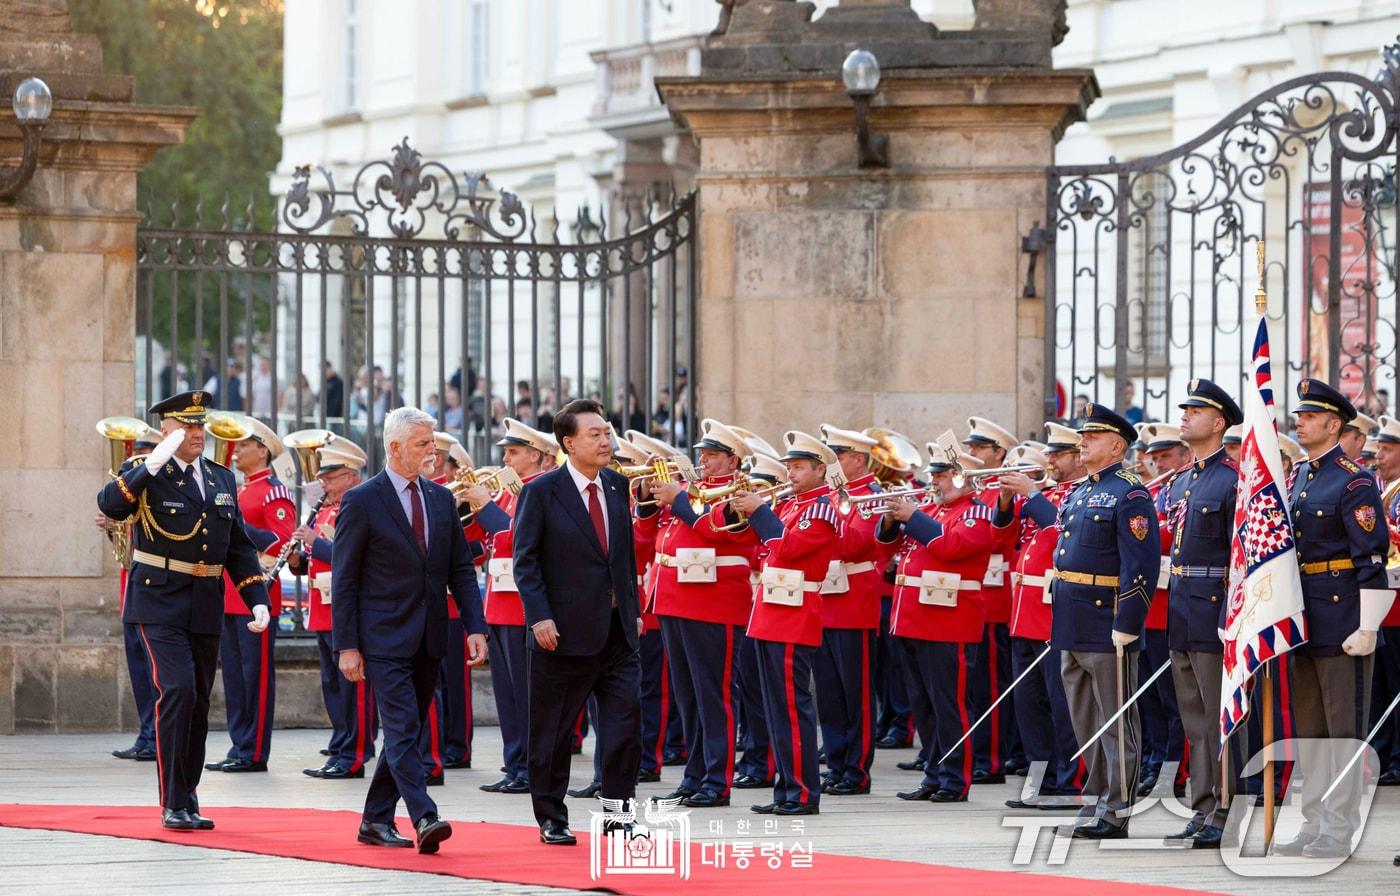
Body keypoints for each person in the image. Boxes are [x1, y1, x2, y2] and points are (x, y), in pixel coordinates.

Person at [96, 390, 271, 830]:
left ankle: (188, 797)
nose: (198, 434)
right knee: (176, 689)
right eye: (188, 426)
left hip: (204, 601)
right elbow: (110, 505)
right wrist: (151, 464)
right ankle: (172, 801)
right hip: (157, 598)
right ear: (168, 431)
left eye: (200, 425)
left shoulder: (220, 478)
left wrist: (257, 599)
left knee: (197, 702)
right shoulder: (143, 472)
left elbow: (238, 548)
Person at [331, 406, 488, 854]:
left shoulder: (440, 499)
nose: (432, 451)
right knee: (401, 729)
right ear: (396, 447)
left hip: (430, 635)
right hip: (381, 637)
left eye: (433, 442)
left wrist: (475, 626)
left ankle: (374, 820)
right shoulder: (362, 500)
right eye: (423, 443)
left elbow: (460, 570)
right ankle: (424, 814)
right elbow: (345, 579)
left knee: (410, 729)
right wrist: (347, 646)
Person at [513, 398, 643, 846]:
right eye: (595, 434)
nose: (605, 440)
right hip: (561, 634)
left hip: (617, 631)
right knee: (552, 731)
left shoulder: (617, 486)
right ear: (568, 443)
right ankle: (551, 816)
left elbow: (624, 559)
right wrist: (539, 617)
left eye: (607, 432)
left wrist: (634, 610)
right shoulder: (541, 492)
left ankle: (620, 813)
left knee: (625, 725)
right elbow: (525, 561)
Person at [1273, 379, 1393, 859]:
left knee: (1342, 731)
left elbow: (1371, 557)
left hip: (1344, 619)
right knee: (1312, 732)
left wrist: (1368, 625)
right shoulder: (1301, 475)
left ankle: (1338, 828)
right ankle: (1314, 820)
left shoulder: (1354, 479)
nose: (1298, 421)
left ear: (1333, 424)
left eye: (1308, 416)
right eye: (1298, 414)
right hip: (1306, 618)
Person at [1052, 402, 1158, 839]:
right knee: (1085, 720)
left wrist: (1128, 619)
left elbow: (1142, 564)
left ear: (1116, 446)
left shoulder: (1129, 493)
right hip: (1072, 619)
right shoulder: (1081, 491)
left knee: (1116, 722)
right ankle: (1095, 798)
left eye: (1091, 437)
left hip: (1106, 619)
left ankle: (1116, 810)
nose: (1083, 441)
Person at [640, 418, 755, 809]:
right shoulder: (693, 491)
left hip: (714, 603)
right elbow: (650, 534)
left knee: (715, 694)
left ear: (733, 460)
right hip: (674, 600)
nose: (704, 462)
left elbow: (717, 529)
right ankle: (694, 775)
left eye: (712, 456)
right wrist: (647, 494)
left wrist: (680, 500)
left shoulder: (741, 492)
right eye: (702, 455)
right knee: (688, 696)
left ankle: (717, 780)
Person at [727, 430, 840, 816]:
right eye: (789, 467)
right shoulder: (792, 506)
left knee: (793, 708)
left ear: (820, 470)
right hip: (770, 611)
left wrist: (759, 510)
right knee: (776, 709)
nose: (790, 474)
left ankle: (803, 792)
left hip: (793, 614)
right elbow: (762, 550)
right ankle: (786, 788)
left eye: (799, 467)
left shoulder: (821, 509)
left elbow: (790, 548)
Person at [879, 443, 999, 804]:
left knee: (949, 704)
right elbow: (886, 549)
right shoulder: (930, 510)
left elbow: (951, 548)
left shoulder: (977, 514)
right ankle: (933, 772)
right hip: (914, 618)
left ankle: (954, 778)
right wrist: (890, 520)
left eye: (943, 475)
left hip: (949, 621)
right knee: (924, 705)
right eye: (934, 474)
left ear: (964, 478)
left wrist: (912, 517)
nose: (935, 481)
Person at [1161, 379, 1244, 849]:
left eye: (1196, 410)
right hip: (1183, 602)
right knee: (1193, 718)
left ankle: (1228, 807)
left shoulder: (1232, 479)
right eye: (1185, 408)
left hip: (1215, 603)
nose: (1185, 415)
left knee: (1219, 716)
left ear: (1218, 423)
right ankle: (1203, 805)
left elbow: (1243, 553)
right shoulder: (1187, 478)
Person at [997, 427, 1087, 809]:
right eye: (1050, 454)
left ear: (1078, 456)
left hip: (1055, 612)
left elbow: (1068, 530)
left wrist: (1031, 495)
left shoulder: (1084, 495)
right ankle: (1041, 781)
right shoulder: (1047, 495)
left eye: (1059, 454)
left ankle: (1070, 782)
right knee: (1028, 704)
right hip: (1025, 612)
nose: (1050, 461)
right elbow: (1001, 540)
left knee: (1063, 703)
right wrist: (1004, 502)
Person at [469, 418, 557, 795]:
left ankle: (532, 768)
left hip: (523, 605)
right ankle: (515, 764)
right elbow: (483, 540)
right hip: (500, 603)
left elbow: (516, 538)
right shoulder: (510, 491)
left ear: (536, 456)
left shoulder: (540, 490)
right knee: (507, 695)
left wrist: (485, 508)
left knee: (528, 695)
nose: (505, 457)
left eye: (514, 451)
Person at [207, 418, 295, 773]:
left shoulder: (273, 491)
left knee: (254, 676)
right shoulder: (237, 489)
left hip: (255, 594)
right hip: (229, 593)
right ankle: (239, 744)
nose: (236, 450)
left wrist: (238, 523)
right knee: (234, 676)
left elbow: (282, 541)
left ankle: (255, 750)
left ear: (262, 450)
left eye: (243, 445)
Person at [291, 437, 378, 780]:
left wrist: (316, 543)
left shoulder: (355, 509)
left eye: (331, 476)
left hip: (344, 608)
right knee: (332, 684)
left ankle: (353, 753)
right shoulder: (325, 510)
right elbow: (316, 563)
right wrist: (299, 558)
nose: (323, 483)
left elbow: (348, 559)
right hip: (321, 607)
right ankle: (341, 742)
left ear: (352, 476)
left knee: (351, 685)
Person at [814, 424, 893, 796]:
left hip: (853, 602)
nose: (832, 464)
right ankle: (836, 761)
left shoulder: (871, 496)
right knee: (829, 693)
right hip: (823, 600)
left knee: (855, 693)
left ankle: (856, 770)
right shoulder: (830, 496)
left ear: (858, 460)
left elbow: (857, 543)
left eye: (839, 457)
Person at [962, 417, 1026, 783]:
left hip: (995, 597)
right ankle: (983, 751)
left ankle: (993, 757)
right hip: (976, 595)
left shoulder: (1004, 490)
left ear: (999, 453)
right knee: (977, 684)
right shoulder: (976, 488)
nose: (972, 453)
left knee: (992, 684)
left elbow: (997, 538)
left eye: (979, 448)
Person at [1135, 423, 1190, 800]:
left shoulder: (1185, 487)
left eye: (1166, 457)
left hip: (1173, 605)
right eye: (1154, 458)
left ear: (1185, 454)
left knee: (1174, 698)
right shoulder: (1153, 492)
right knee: (1149, 696)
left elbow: (1173, 535)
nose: (1158, 464)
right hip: (1148, 606)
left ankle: (1175, 767)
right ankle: (1155, 759)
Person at [107, 424, 164, 763]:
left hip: (148, 593)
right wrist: (114, 528)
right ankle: (146, 733)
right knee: (139, 671)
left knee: (155, 671)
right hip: (130, 592)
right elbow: (125, 553)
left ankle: (156, 736)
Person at [1374, 415, 1400, 786]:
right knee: (1381, 684)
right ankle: (1382, 752)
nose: (1379, 454)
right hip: (1384, 598)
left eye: (1387, 448)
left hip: (1398, 602)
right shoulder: (1386, 490)